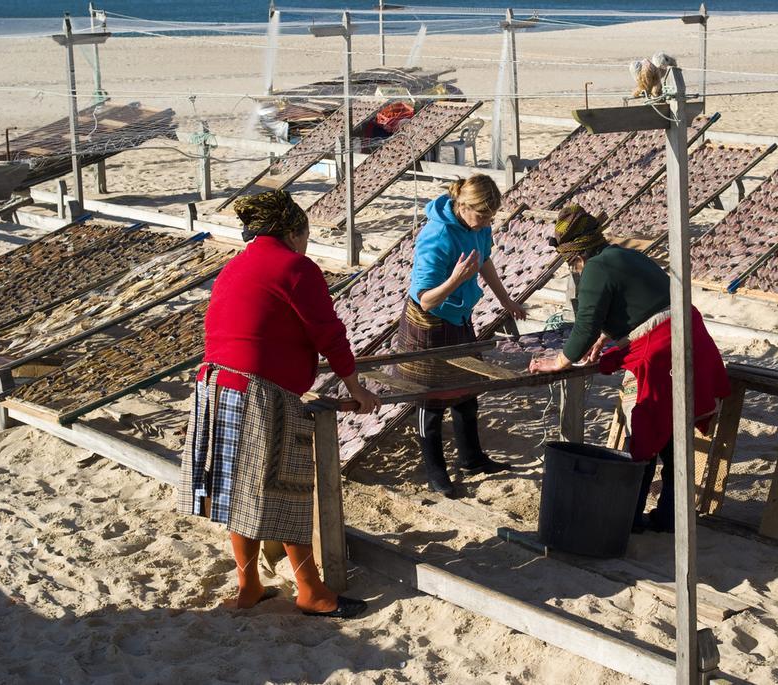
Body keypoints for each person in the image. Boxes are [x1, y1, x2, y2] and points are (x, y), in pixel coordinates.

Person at [178, 190, 380, 618]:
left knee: (238, 492)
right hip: (258, 392)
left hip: (216, 386)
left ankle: (249, 585)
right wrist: (356, 388)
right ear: (292, 231)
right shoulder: (295, 266)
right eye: (305, 234)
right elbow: (328, 333)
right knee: (285, 490)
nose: (306, 243)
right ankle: (310, 590)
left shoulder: (237, 265)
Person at [528, 204, 730, 533]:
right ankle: (669, 517)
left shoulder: (594, 269)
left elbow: (584, 327)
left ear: (574, 257)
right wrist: (607, 336)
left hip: (663, 351)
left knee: (647, 433)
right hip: (690, 335)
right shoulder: (623, 255)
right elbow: (639, 301)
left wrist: (558, 361)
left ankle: (630, 517)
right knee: (674, 434)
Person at [396, 175, 526, 497]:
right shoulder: (437, 236)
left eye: (490, 217)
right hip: (431, 321)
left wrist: (506, 300)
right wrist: (455, 280)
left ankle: (471, 458)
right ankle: (436, 472)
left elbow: (485, 262)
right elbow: (425, 298)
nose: (486, 222)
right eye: (482, 215)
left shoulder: (479, 228)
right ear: (463, 206)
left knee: (468, 389)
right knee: (432, 397)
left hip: (460, 317)